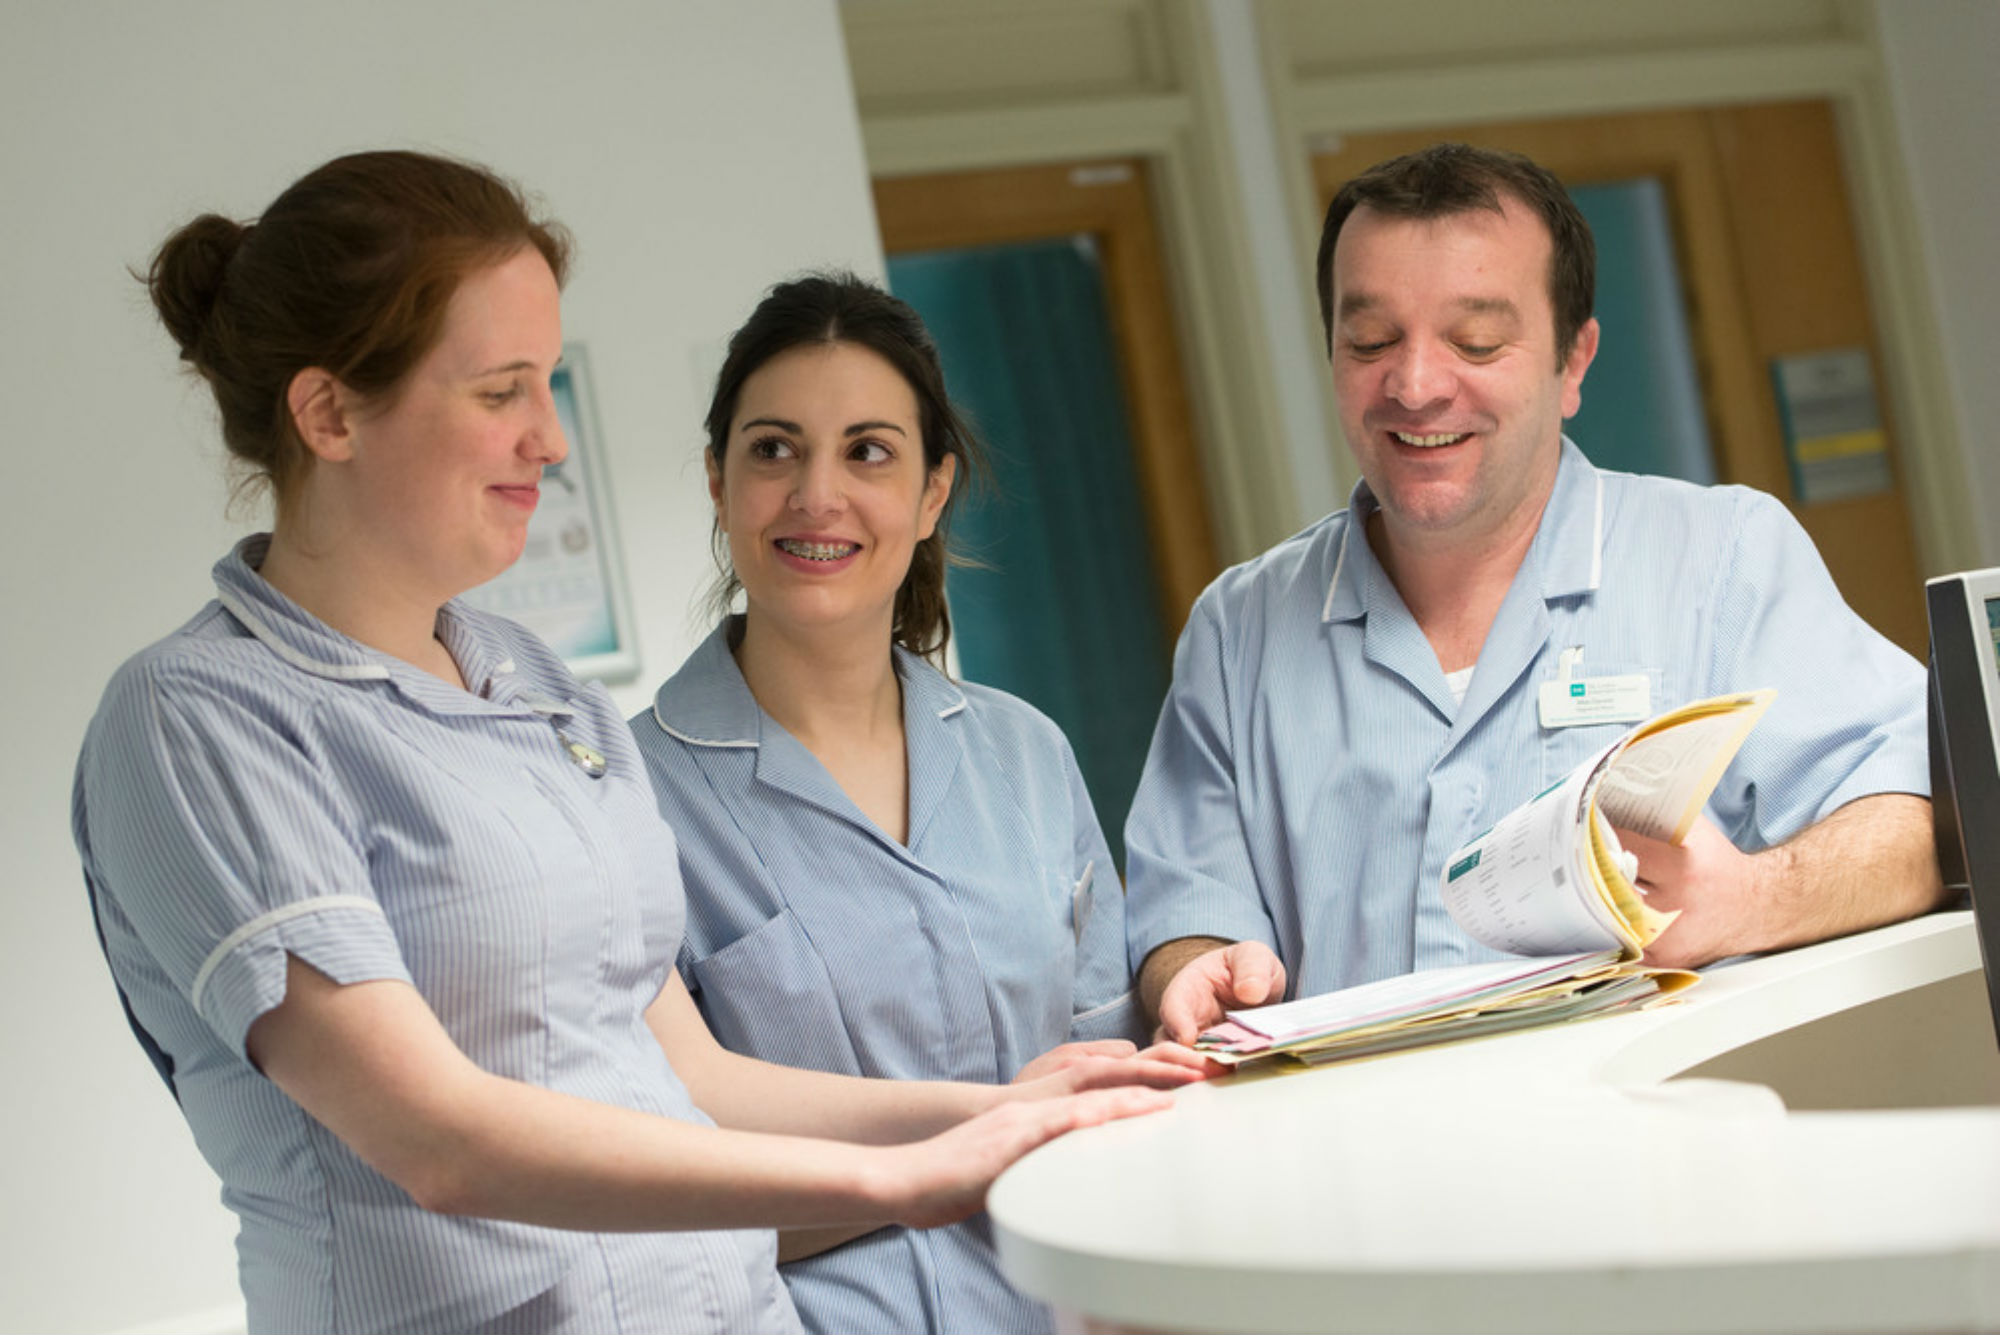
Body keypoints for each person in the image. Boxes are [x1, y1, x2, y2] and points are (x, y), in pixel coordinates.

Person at [72, 151, 1200, 1335]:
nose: (550, 440)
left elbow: (691, 1080)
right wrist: (900, 1181)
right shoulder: (200, 717)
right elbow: (436, 1139)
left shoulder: (541, 691)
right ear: (328, 413)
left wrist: (990, 1111)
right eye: (502, 392)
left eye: (547, 385)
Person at [1126, 142, 1946, 1042]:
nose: (1415, 386)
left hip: (1656, 1125)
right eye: (1371, 342)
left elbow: (1916, 823)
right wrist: (1196, 969)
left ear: (1573, 362)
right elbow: (1185, 910)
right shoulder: (1238, 630)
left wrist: (1749, 899)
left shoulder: (1723, 556)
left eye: (1475, 342)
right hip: (1359, 1134)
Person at [628, 272, 1164, 1335]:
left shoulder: (1024, 754)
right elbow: (656, 1191)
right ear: (719, 482)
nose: (816, 495)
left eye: (867, 451)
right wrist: (972, 1147)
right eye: (773, 449)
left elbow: (1116, 1101)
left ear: (931, 493)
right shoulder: (627, 799)